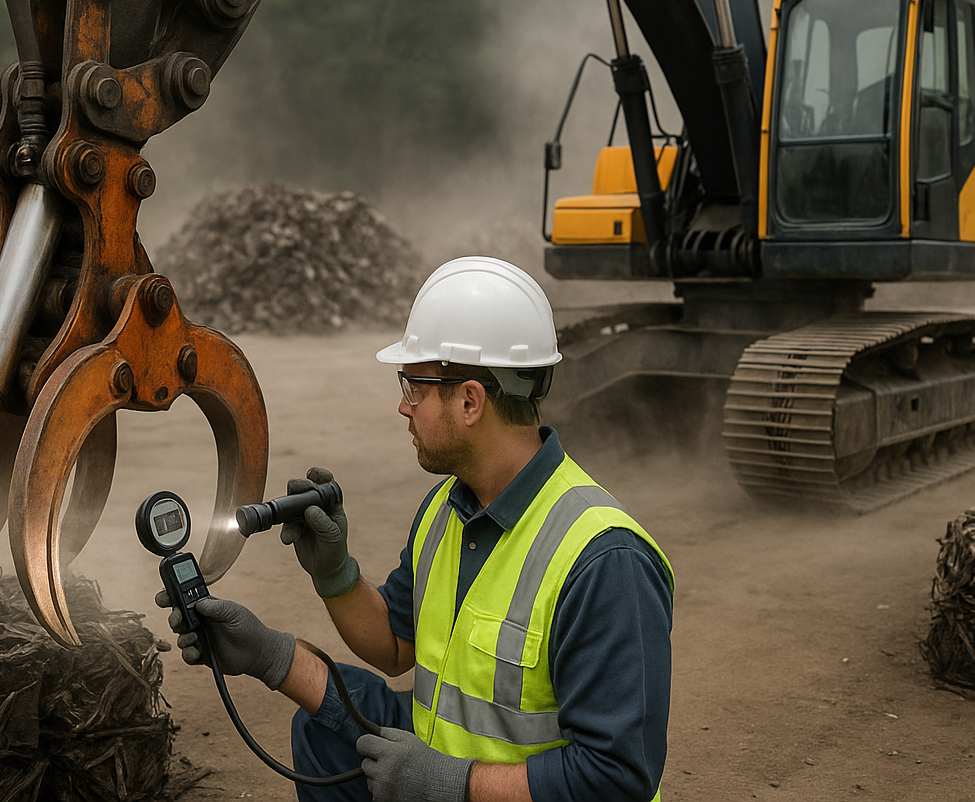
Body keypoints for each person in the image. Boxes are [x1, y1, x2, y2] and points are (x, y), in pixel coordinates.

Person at [156, 257, 674, 802]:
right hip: (455, 775)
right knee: (324, 727)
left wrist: (455, 785)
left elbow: (618, 781)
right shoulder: (448, 508)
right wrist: (291, 625)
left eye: (414, 386)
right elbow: (396, 645)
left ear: (470, 401)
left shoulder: (604, 561)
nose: (402, 406)